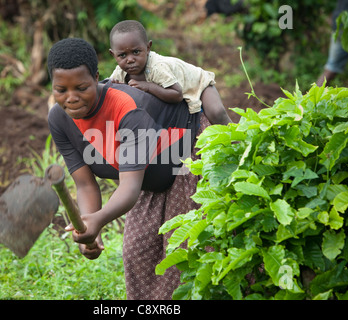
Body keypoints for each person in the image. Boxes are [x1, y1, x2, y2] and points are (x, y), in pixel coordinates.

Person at [47, 38, 231, 299]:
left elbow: (130, 188)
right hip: (152, 176)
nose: (71, 98)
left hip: (190, 157)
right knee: (137, 253)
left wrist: (97, 220)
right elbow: (85, 184)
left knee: (187, 253)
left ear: (97, 78)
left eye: (81, 87)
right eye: (61, 90)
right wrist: (89, 229)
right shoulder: (58, 119)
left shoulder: (126, 108)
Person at [108, 20, 232, 126]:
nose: (130, 59)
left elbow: (177, 95)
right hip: (179, 93)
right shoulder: (120, 72)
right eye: (122, 55)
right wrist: (113, 85)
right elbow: (111, 88)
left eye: (136, 52)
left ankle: (239, 142)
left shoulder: (157, 68)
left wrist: (148, 86)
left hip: (198, 84)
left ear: (148, 48)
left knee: (216, 112)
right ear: (113, 55)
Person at [316, 0, 348, 86]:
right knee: (331, 68)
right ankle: (312, 97)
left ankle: (311, 97)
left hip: (340, 23)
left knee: (331, 68)